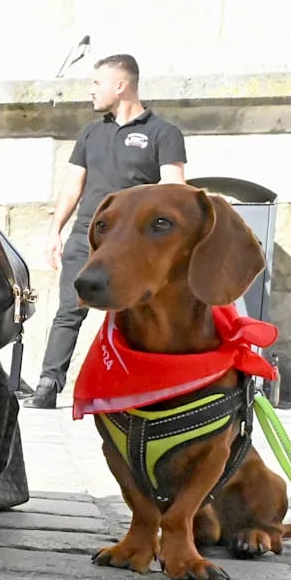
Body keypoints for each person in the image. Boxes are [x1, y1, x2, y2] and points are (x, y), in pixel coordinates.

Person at [23, 53, 187, 409]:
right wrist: (55, 231)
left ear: (121, 85)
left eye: (97, 83)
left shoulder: (164, 133)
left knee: (134, 310)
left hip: (133, 243)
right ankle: (49, 384)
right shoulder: (91, 133)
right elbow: (72, 186)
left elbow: (174, 191)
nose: (91, 91)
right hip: (87, 236)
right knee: (70, 309)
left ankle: (137, 386)